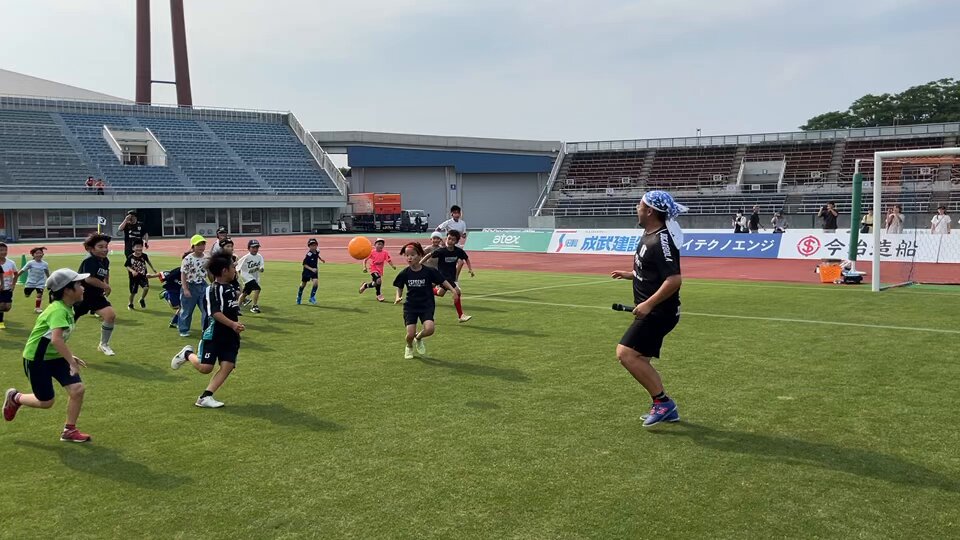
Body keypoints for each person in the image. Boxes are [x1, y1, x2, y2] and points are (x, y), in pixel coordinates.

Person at [610, 190, 685, 427]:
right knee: (639, 357)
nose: (636, 207)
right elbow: (653, 270)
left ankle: (663, 403)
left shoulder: (660, 240)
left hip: (658, 313)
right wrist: (632, 275)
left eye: (640, 205)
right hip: (655, 311)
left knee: (626, 353)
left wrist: (648, 303)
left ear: (650, 211)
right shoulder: (649, 234)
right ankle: (664, 406)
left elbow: (674, 279)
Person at [3, 269, 92, 442]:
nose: (83, 288)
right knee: (46, 402)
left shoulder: (68, 308)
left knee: (77, 389)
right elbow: (57, 340)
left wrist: (70, 357)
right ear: (67, 290)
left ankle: (69, 431)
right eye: (79, 284)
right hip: (37, 359)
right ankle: (16, 397)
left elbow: (56, 340)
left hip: (54, 356)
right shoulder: (58, 310)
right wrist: (71, 363)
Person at [170, 255, 244, 409]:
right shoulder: (212, 290)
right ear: (224, 271)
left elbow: (233, 308)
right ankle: (187, 354)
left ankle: (205, 397)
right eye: (232, 268)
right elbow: (215, 313)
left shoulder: (231, 287)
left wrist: (235, 325)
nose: (234, 271)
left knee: (228, 365)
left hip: (230, 335)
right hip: (214, 334)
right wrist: (232, 324)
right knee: (205, 368)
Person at [393, 242, 458, 360]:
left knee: (429, 329)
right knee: (409, 334)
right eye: (407, 255)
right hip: (411, 307)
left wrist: (453, 291)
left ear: (420, 255)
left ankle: (418, 338)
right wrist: (398, 296)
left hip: (426, 305)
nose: (409, 258)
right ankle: (409, 346)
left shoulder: (429, 271)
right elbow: (400, 286)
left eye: (412, 255)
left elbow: (443, 281)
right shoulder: (405, 273)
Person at [75, 233, 117, 356]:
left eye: (106, 246)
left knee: (110, 316)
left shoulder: (105, 260)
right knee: (67, 324)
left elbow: (104, 273)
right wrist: (106, 286)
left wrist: (106, 284)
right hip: (80, 296)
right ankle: (54, 346)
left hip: (96, 295)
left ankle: (103, 344)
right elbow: (89, 279)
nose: (105, 249)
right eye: (100, 247)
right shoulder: (89, 260)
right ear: (91, 248)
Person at [424, 230, 475, 322]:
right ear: (446, 238)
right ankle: (461, 315)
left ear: (456, 241)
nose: (450, 241)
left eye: (453, 240)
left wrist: (470, 269)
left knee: (440, 293)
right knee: (457, 291)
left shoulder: (458, 251)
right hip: (443, 277)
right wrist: (420, 263)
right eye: (449, 238)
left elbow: (466, 258)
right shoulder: (442, 251)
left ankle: (426, 290)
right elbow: (428, 255)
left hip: (450, 277)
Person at [179, 235, 209, 337]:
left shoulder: (206, 258)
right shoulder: (188, 259)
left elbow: (209, 272)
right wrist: (185, 289)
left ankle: (206, 329)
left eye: (203, 244)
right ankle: (183, 329)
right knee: (187, 310)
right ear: (193, 246)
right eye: (198, 245)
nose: (201, 247)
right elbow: (183, 274)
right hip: (190, 285)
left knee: (206, 309)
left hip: (203, 285)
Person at [124, 240, 157, 310]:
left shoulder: (144, 255)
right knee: (133, 292)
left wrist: (153, 269)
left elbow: (148, 262)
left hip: (143, 276)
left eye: (141, 247)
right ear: (133, 248)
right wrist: (132, 271)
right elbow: (127, 266)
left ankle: (142, 299)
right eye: (137, 247)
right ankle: (130, 304)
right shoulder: (130, 257)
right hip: (134, 278)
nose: (139, 248)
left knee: (146, 288)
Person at [19, 247, 50, 314]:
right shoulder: (30, 263)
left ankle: (37, 308)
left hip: (40, 283)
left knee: (39, 295)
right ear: (33, 255)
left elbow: (47, 273)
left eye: (40, 253)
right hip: (30, 282)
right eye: (37, 253)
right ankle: (27, 293)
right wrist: (16, 276)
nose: (39, 254)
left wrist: (49, 280)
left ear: (42, 254)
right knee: (27, 294)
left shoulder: (45, 264)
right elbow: (23, 270)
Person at [237, 239, 265, 314]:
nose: (255, 249)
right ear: (249, 248)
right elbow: (237, 266)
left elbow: (261, 266)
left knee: (245, 293)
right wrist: (237, 275)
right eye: (253, 247)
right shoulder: (246, 257)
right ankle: (254, 306)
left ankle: (237, 308)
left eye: (257, 247)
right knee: (258, 289)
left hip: (254, 277)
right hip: (247, 277)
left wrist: (261, 269)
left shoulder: (259, 256)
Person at [297, 238, 325, 305]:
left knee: (315, 283)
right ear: (309, 246)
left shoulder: (317, 251)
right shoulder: (308, 255)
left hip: (314, 270)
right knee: (303, 284)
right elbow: (304, 264)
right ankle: (299, 296)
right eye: (311, 245)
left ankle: (312, 297)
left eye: (315, 245)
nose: (313, 247)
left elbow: (317, 255)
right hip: (307, 270)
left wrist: (321, 259)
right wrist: (311, 269)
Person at [0, 242, 18, 330]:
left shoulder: (11, 263)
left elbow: (16, 274)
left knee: (7, 307)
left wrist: (13, 284)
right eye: (1, 250)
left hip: (8, 288)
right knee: (1, 305)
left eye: (5, 250)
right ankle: (0, 322)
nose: (4, 252)